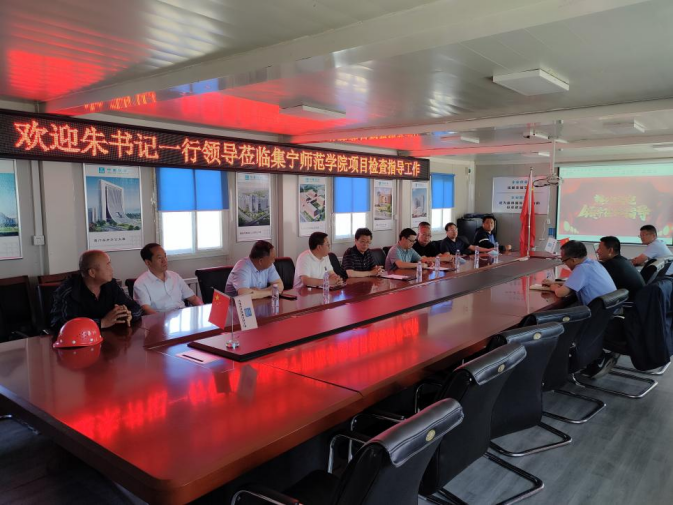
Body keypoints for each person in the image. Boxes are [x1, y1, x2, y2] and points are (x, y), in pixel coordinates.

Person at [51, 250, 143, 331]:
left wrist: (129, 315)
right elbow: (61, 325)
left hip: (110, 338)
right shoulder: (69, 290)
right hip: (80, 342)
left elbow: (136, 308)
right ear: (92, 272)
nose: (112, 269)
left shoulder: (111, 285)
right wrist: (102, 323)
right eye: (107, 265)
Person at [133, 243, 203, 314]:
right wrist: (162, 320)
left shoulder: (174, 276)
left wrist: (204, 311)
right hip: (161, 318)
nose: (164, 260)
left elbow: (193, 298)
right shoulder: (140, 284)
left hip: (182, 315)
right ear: (148, 262)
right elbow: (146, 309)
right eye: (159, 258)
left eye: (165, 256)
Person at [542, 240, 616, 305]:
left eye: (564, 261)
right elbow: (575, 284)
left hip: (596, 313)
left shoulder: (582, 268)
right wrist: (554, 283)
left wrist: (554, 287)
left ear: (573, 260)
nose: (565, 264)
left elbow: (560, 293)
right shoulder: (594, 263)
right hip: (609, 310)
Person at [596, 236, 644, 300]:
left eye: (599, 248)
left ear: (610, 250)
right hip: (640, 299)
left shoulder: (611, 265)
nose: (597, 251)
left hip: (630, 303)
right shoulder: (623, 260)